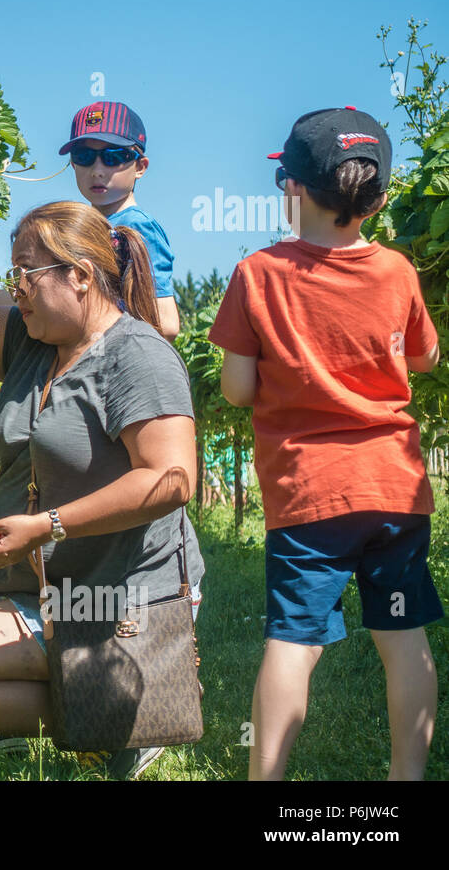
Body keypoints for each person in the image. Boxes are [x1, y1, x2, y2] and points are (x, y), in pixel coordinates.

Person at [0, 200, 205, 780]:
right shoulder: (34, 340)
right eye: (13, 276)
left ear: (79, 275)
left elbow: (172, 478)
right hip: (45, 574)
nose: (16, 288)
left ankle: (118, 718)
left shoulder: (137, 355)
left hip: (110, 596)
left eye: (26, 273)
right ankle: (24, 698)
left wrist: (47, 525)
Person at [209, 107, 443, 781]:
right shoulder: (398, 272)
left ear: (291, 186)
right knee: (402, 639)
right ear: (382, 195)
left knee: (293, 642)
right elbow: (424, 358)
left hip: (309, 495)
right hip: (395, 493)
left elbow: (236, 389)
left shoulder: (257, 274)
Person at [61, 101, 181, 340]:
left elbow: (166, 323)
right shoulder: (82, 228)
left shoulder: (136, 227)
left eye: (113, 157)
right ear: (73, 163)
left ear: (140, 166)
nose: (97, 170)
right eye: (84, 156)